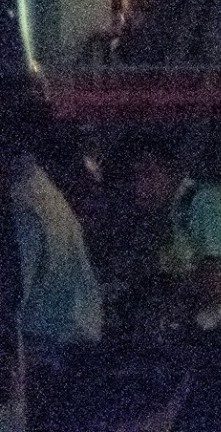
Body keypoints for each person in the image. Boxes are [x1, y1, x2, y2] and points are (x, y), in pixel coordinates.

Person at [117, 134, 221, 432]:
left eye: (147, 174)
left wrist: (171, 308)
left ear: (172, 171)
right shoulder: (175, 216)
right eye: (132, 178)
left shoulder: (205, 202)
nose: (138, 188)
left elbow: (216, 281)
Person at [5, 83, 102, 432]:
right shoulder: (39, 194)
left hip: (48, 367)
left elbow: (10, 305)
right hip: (64, 360)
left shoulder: (23, 209)